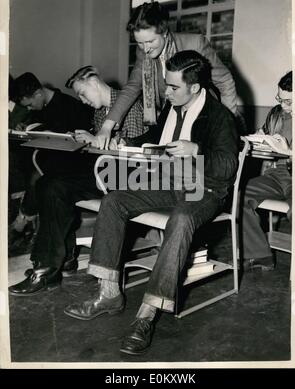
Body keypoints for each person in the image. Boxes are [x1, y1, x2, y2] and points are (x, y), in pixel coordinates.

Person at [64, 50, 239, 355]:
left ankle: (147, 314)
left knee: (182, 218)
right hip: (171, 181)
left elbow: (226, 167)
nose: (166, 92)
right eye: (166, 85)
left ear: (194, 87)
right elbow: (155, 136)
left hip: (205, 188)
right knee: (114, 199)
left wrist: (196, 149)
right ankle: (109, 293)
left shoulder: (219, 116)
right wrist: (127, 143)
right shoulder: (174, 107)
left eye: (173, 87)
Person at [9, 65, 146, 296]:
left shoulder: (130, 105)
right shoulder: (100, 111)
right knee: (47, 183)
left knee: (54, 185)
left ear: (94, 82)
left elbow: (135, 156)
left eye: (83, 93)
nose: (82, 100)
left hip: (127, 177)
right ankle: (47, 266)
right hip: (104, 172)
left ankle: (47, 268)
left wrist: (97, 141)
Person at [84, 1, 238, 150]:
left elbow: (225, 81)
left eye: (150, 41)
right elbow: (131, 88)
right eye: (139, 43)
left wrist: (226, 125)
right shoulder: (143, 52)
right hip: (167, 115)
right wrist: (106, 127)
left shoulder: (195, 43)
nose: (145, 49)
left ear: (164, 32)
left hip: (201, 115)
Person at [10, 72, 94, 235]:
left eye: (30, 104)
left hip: (76, 160)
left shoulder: (70, 105)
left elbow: (81, 141)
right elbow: (37, 125)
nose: (29, 109)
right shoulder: (41, 106)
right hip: (51, 158)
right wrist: (25, 127)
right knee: (28, 165)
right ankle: (26, 216)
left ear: (38, 93)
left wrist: (52, 133)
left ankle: (24, 219)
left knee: (38, 176)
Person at [240, 71, 292, 271]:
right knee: (240, 196)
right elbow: (263, 134)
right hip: (277, 174)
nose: (283, 107)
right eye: (281, 99)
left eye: (289, 102)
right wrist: (253, 140)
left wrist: (288, 151)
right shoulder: (277, 113)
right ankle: (259, 255)